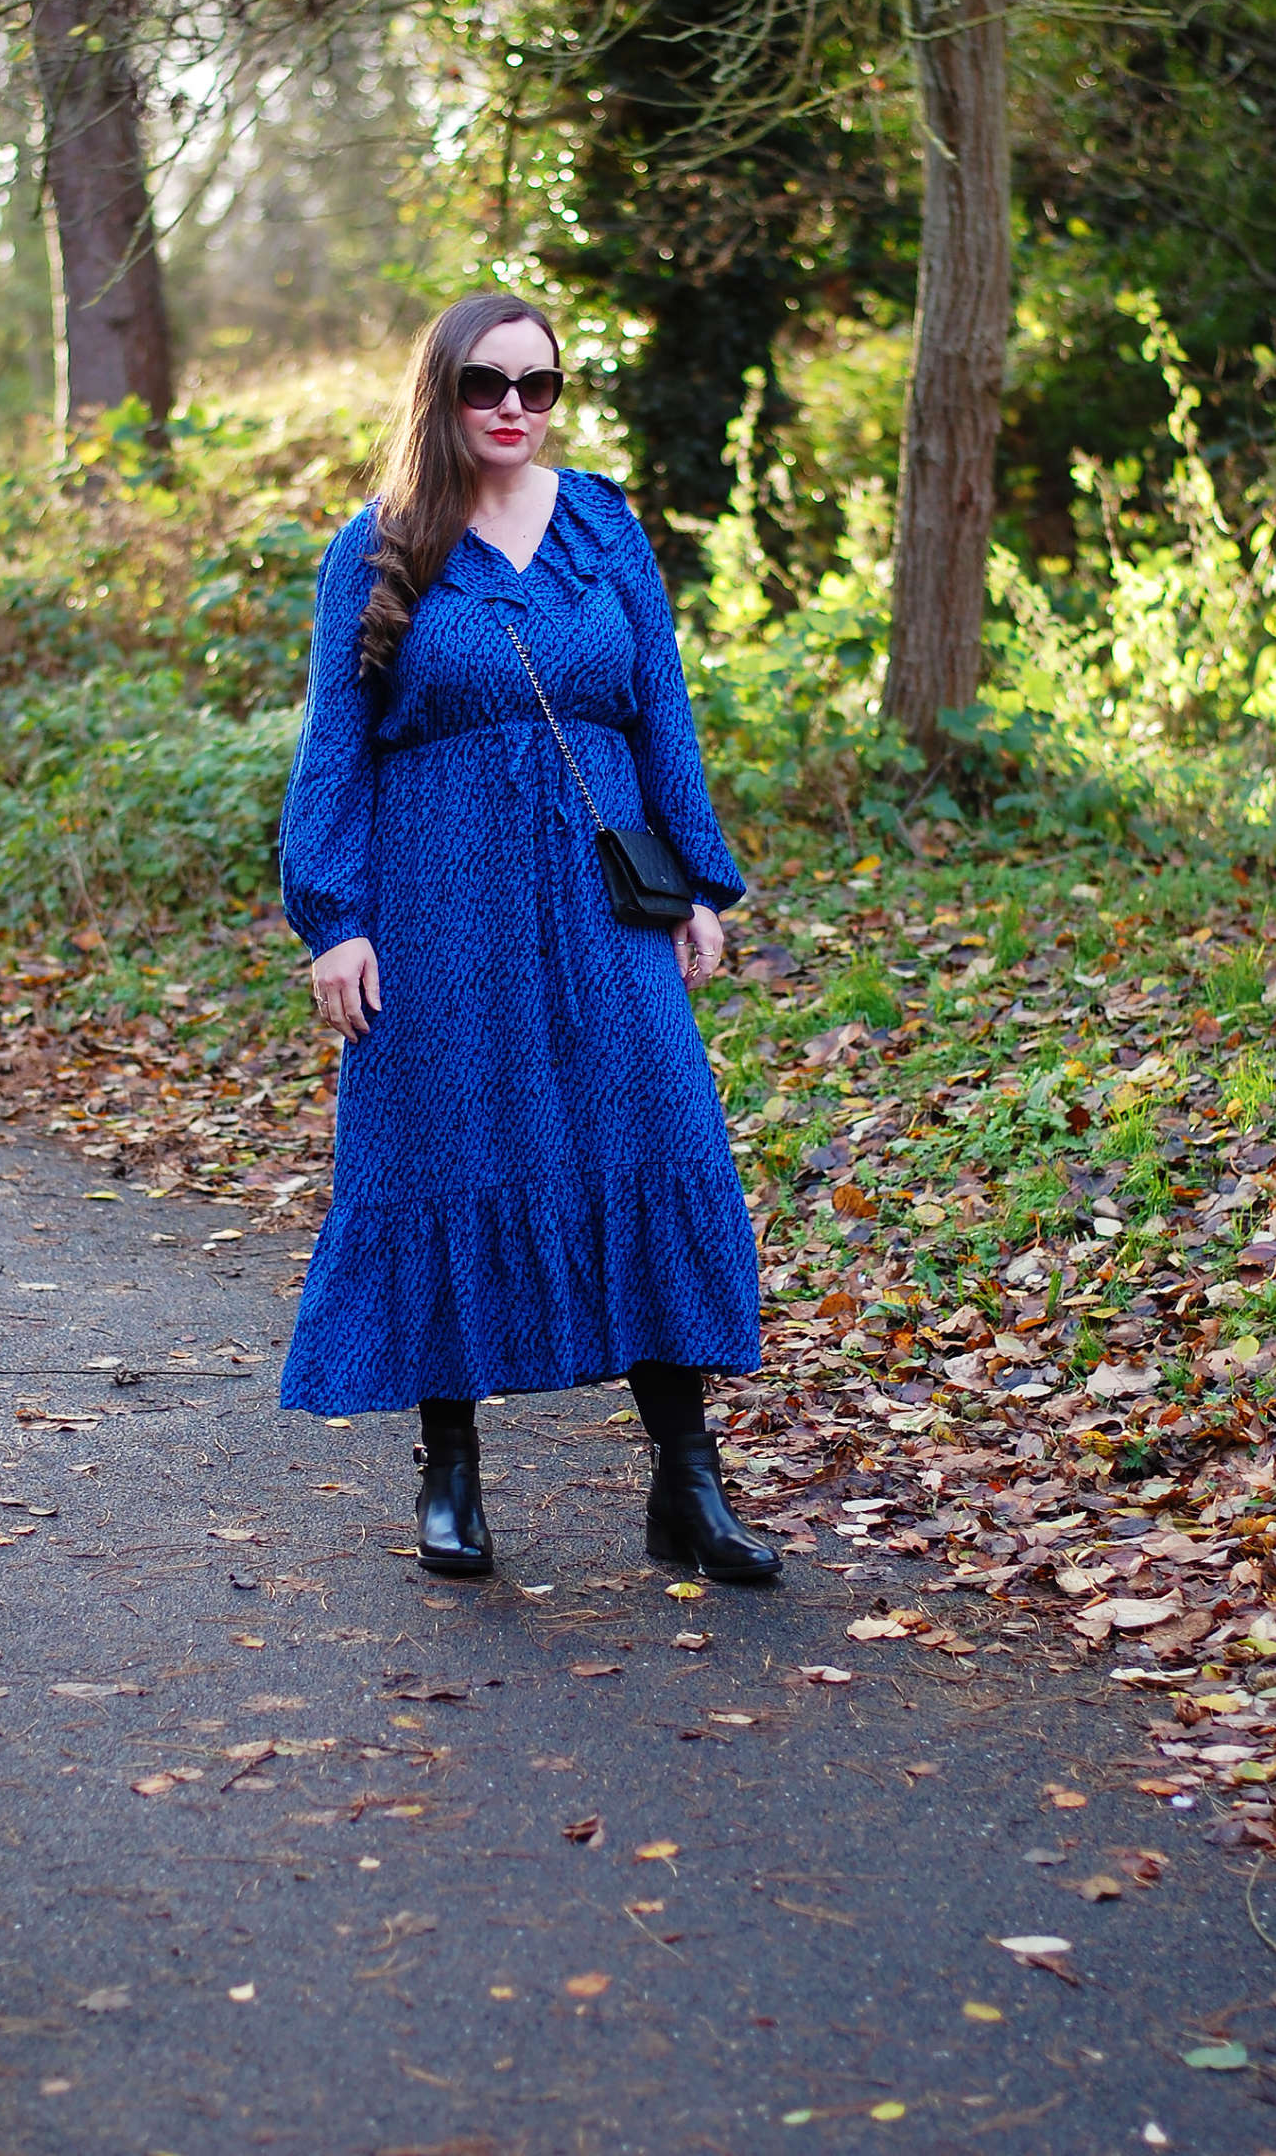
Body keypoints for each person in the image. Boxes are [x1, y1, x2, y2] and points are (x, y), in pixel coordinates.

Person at [277, 290, 778, 1588]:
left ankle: (686, 1479)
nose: (511, 408)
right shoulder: (379, 547)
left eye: (536, 386)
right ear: (439, 394)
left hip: (603, 901)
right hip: (437, 911)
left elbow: (660, 708)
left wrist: (700, 886)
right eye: (484, 385)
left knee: (655, 1136)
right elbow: (334, 746)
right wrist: (335, 921)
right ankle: (448, 1469)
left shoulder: (605, 527)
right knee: (446, 1147)